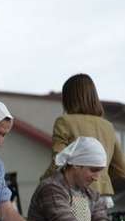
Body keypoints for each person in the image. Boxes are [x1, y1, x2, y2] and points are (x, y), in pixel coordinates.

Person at [41, 74, 125, 207]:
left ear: (68, 99)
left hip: (74, 194)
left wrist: (44, 181)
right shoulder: (108, 126)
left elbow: (58, 160)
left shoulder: (64, 122)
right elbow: (121, 169)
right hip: (103, 197)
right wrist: (102, 177)